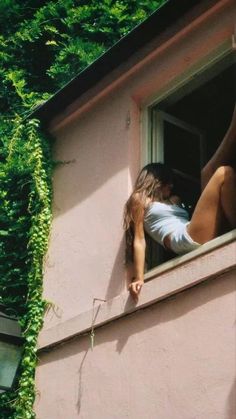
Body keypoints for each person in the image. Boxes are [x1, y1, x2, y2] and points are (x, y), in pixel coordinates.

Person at [124, 103, 236, 301]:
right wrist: (139, 277)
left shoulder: (172, 200)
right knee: (223, 173)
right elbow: (139, 239)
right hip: (184, 239)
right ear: (158, 182)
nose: (171, 189)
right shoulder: (139, 200)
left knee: (207, 173)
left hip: (194, 230)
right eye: (169, 184)